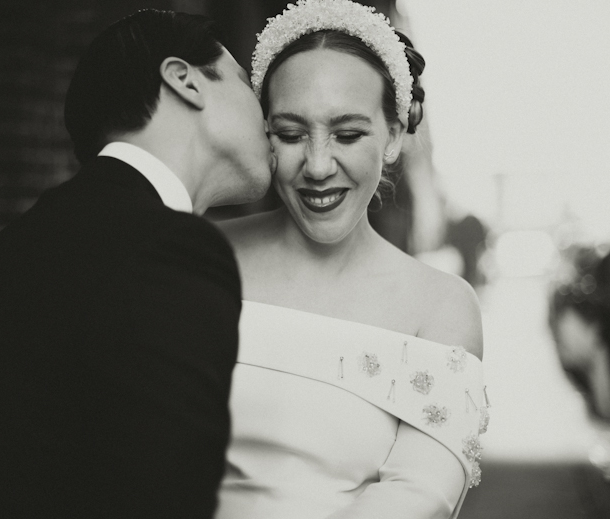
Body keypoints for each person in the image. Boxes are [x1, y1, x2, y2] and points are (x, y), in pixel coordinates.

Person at [0, 9, 271, 518]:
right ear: (184, 80)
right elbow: (167, 495)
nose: (268, 115)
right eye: (246, 83)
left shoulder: (26, 246)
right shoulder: (170, 249)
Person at [214, 1, 488, 518]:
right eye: (291, 135)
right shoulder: (200, 256)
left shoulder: (441, 307)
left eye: (348, 134)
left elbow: (420, 496)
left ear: (394, 137)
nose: (317, 165)